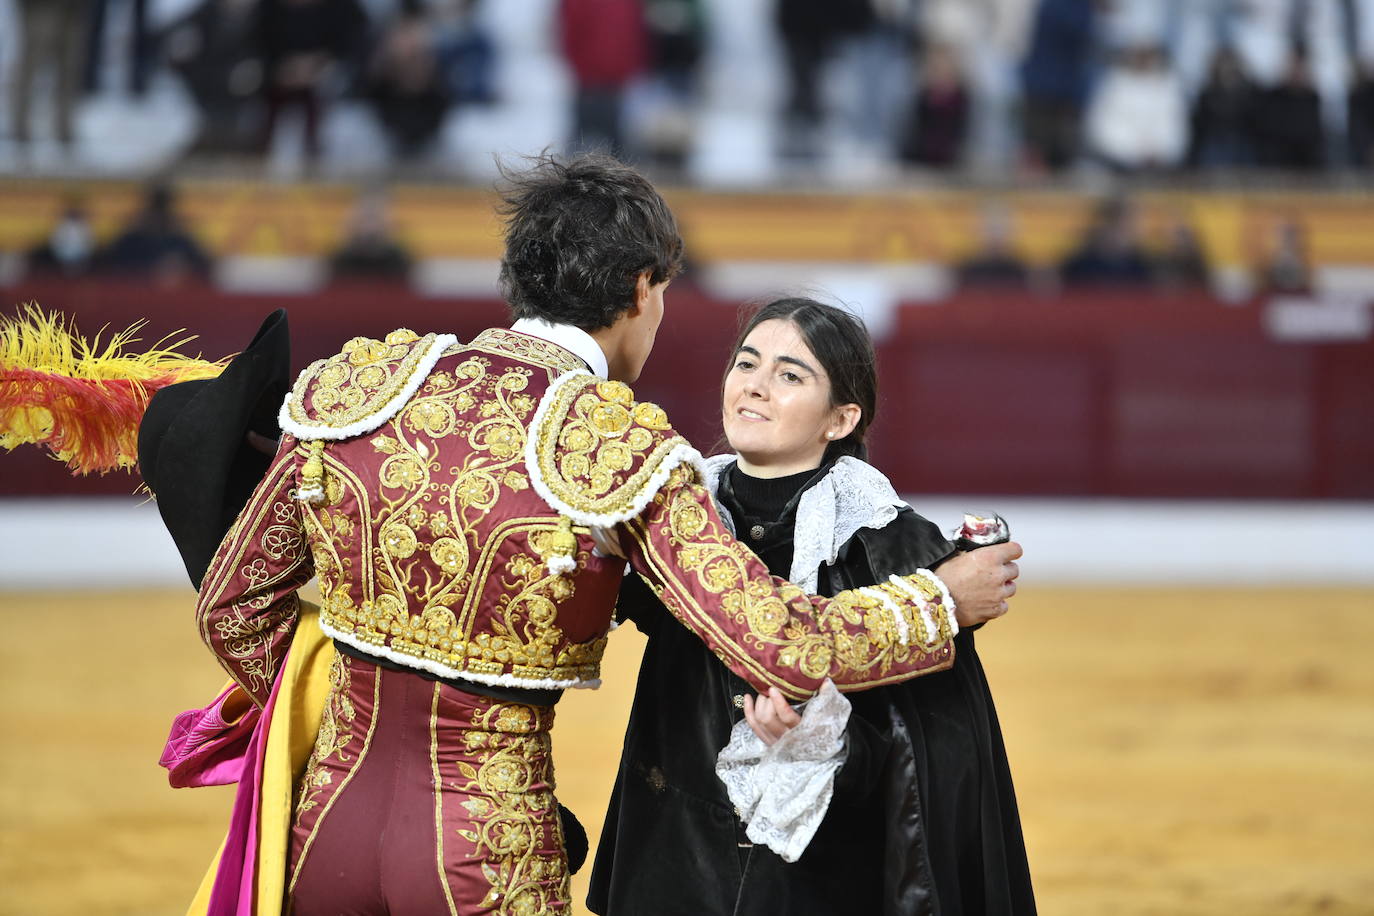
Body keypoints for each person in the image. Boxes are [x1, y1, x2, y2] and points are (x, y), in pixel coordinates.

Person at [192, 154, 1022, 914]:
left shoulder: (358, 389)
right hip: (489, 835)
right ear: (641, 289)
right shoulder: (618, 451)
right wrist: (935, 602)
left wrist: (328, 715)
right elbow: (783, 648)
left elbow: (230, 607)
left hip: (326, 819)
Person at [588, 298, 1034, 915]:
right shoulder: (672, 512)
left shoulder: (888, 539)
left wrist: (824, 740)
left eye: (790, 375)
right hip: (674, 838)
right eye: (746, 364)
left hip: (819, 872)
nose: (755, 387)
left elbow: (928, 749)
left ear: (842, 418)